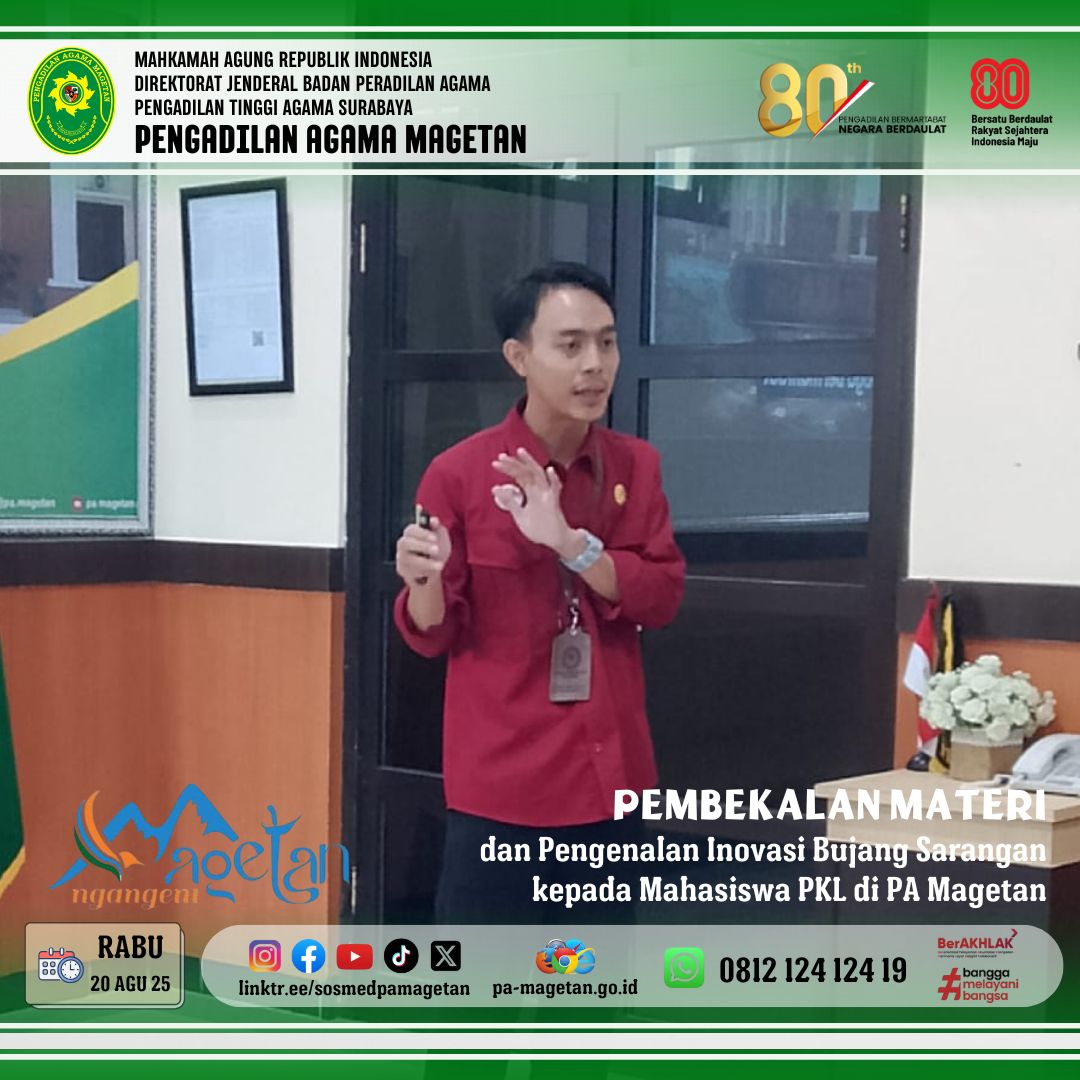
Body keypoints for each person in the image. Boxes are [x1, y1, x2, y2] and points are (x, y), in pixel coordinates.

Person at [393, 262, 685, 923]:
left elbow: (662, 595)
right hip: (501, 787)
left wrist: (572, 544)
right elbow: (433, 632)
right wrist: (423, 580)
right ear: (519, 357)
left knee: (589, 980)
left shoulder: (636, 467)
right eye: (571, 345)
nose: (595, 365)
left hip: (609, 778)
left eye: (607, 343)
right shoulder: (459, 474)